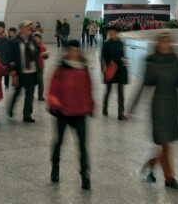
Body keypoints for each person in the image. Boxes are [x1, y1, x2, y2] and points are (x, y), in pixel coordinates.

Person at [130, 32, 178, 190]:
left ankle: (150, 165)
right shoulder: (152, 62)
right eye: (162, 42)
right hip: (158, 107)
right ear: (158, 44)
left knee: (166, 143)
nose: (165, 45)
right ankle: (169, 178)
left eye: (167, 42)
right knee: (165, 144)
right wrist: (132, 107)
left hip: (173, 105)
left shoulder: (175, 60)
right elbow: (144, 86)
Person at [47, 40, 93, 189]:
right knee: (59, 141)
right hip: (63, 112)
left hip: (80, 113)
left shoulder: (84, 68)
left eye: (76, 51)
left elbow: (88, 89)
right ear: (67, 52)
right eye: (72, 51)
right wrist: (54, 103)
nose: (74, 53)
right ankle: (55, 167)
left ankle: (85, 175)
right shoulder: (60, 70)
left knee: (82, 146)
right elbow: (53, 90)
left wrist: (90, 105)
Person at [6, 20, 40, 122]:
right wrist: (12, 70)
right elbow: (9, 57)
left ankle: (27, 115)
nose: (30, 28)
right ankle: (11, 107)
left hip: (32, 71)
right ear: (21, 28)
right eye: (27, 26)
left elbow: (36, 53)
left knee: (30, 94)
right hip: (20, 72)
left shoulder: (32, 40)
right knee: (17, 92)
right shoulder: (13, 42)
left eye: (30, 26)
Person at [100, 26, 128, 119]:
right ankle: (105, 107)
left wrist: (125, 60)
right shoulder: (106, 44)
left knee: (120, 92)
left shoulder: (120, 43)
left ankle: (121, 113)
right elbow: (102, 57)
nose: (111, 33)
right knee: (108, 90)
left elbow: (123, 55)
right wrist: (103, 67)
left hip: (119, 70)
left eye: (113, 31)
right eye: (110, 31)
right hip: (110, 70)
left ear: (116, 32)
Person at [33, 32, 49, 101]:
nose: (36, 39)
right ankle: (31, 94)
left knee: (40, 81)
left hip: (40, 66)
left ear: (40, 39)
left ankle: (40, 96)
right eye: (34, 38)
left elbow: (46, 56)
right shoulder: (31, 46)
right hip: (32, 67)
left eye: (37, 38)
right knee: (32, 81)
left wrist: (45, 54)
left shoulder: (42, 46)